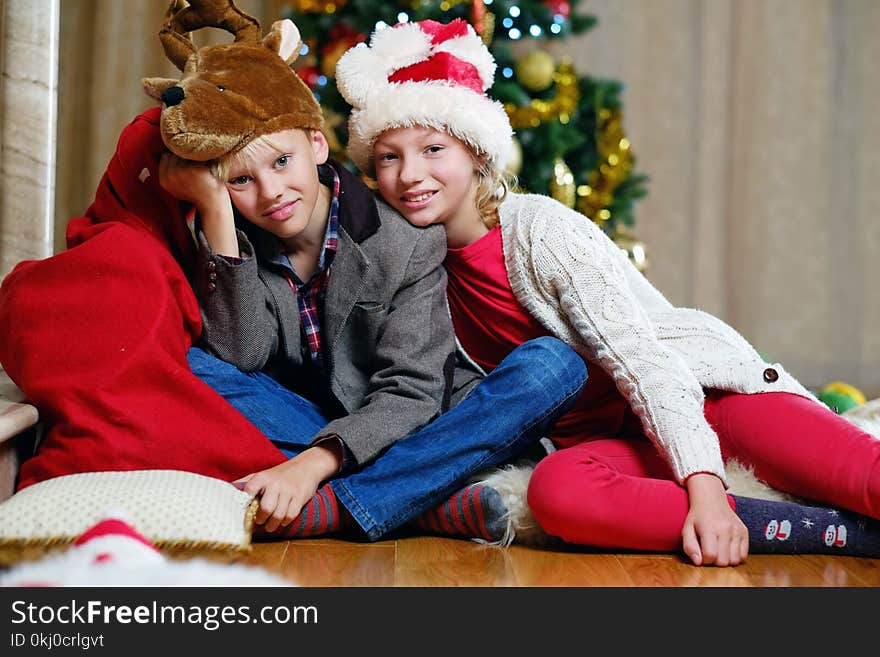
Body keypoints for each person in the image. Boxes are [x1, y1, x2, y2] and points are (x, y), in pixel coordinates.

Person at [335, 17, 880, 565]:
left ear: (476, 153)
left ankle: (783, 510)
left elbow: (643, 358)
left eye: (432, 149)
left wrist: (707, 486)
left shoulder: (542, 233)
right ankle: (826, 531)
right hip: (620, 445)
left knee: (865, 478)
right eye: (389, 157)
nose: (409, 175)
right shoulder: (413, 271)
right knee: (556, 493)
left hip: (706, 402)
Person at [153, 7, 587, 543]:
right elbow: (241, 356)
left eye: (283, 163)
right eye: (241, 180)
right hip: (317, 419)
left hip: (425, 422)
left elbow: (412, 393)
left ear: (316, 145)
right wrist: (217, 213)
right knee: (193, 364)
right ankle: (426, 498)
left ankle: (340, 506)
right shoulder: (237, 241)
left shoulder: (405, 240)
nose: (270, 193)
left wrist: (312, 465)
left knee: (554, 366)